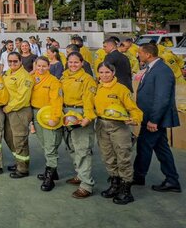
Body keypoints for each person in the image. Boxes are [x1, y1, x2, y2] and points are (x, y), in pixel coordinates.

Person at [133, 43, 181, 192]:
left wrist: (154, 120)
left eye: (140, 53)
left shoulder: (162, 71)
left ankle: (138, 176)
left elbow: (162, 98)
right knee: (162, 149)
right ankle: (172, 180)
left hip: (154, 119)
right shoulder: (152, 68)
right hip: (150, 117)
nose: (138, 55)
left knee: (144, 145)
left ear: (148, 55)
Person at [94, 62, 143, 205]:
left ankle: (126, 189)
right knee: (108, 157)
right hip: (102, 125)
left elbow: (133, 109)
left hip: (119, 126)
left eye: (107, 72)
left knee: (123, 157)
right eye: (101, 73)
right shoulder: (96, 88)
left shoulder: (122, 89)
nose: (104, 75)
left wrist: (135, 119)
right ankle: (115, 185)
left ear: (113, 73)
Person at [61, 52, 97, 199]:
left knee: (82, 149)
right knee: (71, 146)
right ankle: (80, 175)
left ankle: (86, 185)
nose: (73, 65)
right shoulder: (64, 77)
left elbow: (89, 100)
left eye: (76, 62)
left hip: (80, 113)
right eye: (70, 62)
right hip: (66, 113)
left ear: (82, 63)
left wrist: (87, 117)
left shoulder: (87, 79)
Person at [31, 57, 63, 191]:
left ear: (49, 66)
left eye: (44, 66)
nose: (41, 69)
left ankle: (49, 177)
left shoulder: (54, 81)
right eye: (38, 66)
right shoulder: (32, 78)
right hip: (36, 114)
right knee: (44, 144)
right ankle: (52, 170)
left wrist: (55, 117)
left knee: (50, 145)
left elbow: (57, 100)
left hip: (48, 114)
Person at [2, 52, 34, 178]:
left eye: (15, 61)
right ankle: (19, 161)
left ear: (21, 61)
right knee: (9, 137)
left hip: (19, 111)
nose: (12, 63)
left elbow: (23, 97)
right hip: (8, 110)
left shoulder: (25, 77)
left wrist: (8, 107)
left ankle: (23, 168)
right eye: (10, 61)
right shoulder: (8, 73)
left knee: (20, 139)